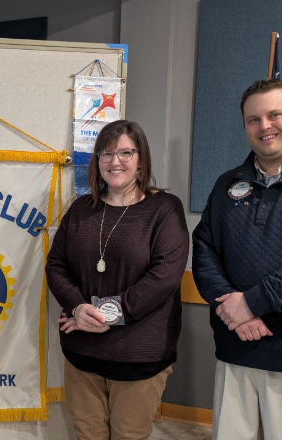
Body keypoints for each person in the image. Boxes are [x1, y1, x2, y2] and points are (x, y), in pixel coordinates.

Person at [46, 120, 189, 440]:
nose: (115, 161)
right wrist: (77, 306)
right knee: (88, 435)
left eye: (126, 152)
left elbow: (164, 277)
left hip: (138, 355)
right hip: (82, 351)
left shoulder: (164, 208)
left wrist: (103, 314)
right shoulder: (81, 209)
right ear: (97, 160)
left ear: (141, 159)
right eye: (106, 153)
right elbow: (55, 265)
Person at [193, 79, 282, 439]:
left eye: (275, 115)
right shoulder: (226, 184)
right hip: (236, 347)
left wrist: (250, 303)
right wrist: (233, 311)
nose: (264, 126)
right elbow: (204, 251)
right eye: (253, 119)